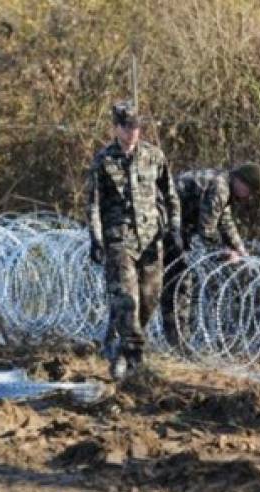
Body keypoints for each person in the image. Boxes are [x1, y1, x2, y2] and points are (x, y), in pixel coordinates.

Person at [86, 101, 181, 379]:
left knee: (149, 299)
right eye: (127, 128)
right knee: (127, 300)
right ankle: (135, 357)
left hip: (151, 239)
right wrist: (96, 238)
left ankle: (120, 348)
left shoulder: (154, 156)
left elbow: (170, 194)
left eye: (136, 128)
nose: (132, 134)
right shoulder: (103, 161)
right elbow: (93, 204)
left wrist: (174, 227)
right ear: (115, 128)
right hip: (120, 240)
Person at [160, 163, 260, 348]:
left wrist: (240, 249)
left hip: (172, 224)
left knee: (175, 281)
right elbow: (207, 230)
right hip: (164, 223)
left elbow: (225, 221)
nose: (248, 196)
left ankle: (176, 342)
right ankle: (177, 344)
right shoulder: (220, 187)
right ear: (241, 182)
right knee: (179, 281)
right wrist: (225, 252)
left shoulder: (223, 183)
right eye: (249, 190)